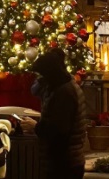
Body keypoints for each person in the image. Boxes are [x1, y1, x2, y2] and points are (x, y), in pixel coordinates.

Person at [21, 49, 87, 179]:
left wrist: (35, 126)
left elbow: (58, 131)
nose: (41, 78)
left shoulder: (64, 93)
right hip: (67, 161)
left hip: (64, 163)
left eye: (43, 75)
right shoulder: (64, 87)